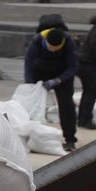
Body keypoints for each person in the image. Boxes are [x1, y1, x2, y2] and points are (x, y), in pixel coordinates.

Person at [24, 12, 81, 154]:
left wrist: (58, 80)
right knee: (33, 105)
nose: (54, 49)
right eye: (51, 47)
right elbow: (29, 65)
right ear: (46, 42)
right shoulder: (37, 42)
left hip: (62, 75)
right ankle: (31, 136)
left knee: (66, 104)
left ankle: (70, 139)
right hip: (40, 72)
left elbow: (73, 66)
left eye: (57, 48)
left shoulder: (68, 42)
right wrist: (30, 85)